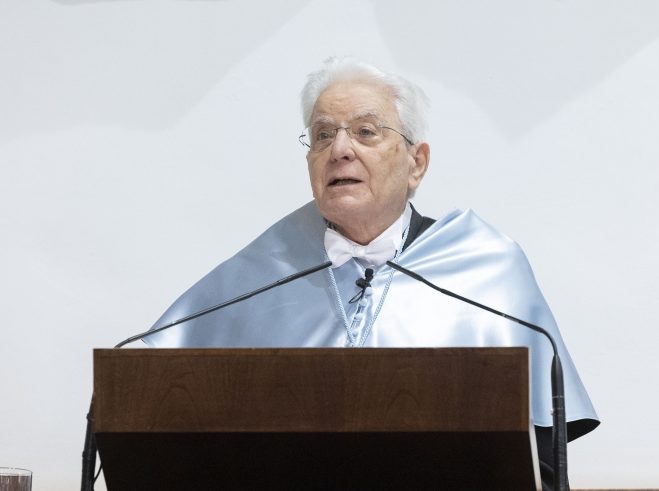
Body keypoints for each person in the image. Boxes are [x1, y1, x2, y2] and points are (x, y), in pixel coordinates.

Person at [145, 57, 599, 487]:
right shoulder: (259, 274)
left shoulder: (485, 267)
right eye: (323, 135)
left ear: (416, 163)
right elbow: (162, 411)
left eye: (365, 131)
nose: (340, 150)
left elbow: (541, 461)